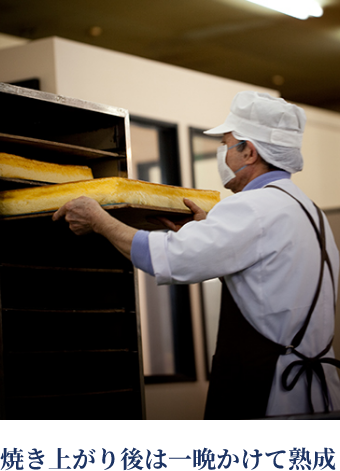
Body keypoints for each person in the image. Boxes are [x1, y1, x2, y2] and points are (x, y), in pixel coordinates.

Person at [53, 91, 340, 419]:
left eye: (225, 143)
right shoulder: (306, 209)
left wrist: (99, 220)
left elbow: (169, 260)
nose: (222, 152)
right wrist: (207, 230)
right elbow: (266, 282)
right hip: (315, 393)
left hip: (267, 389)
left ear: (249, 151)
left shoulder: (253, 206)